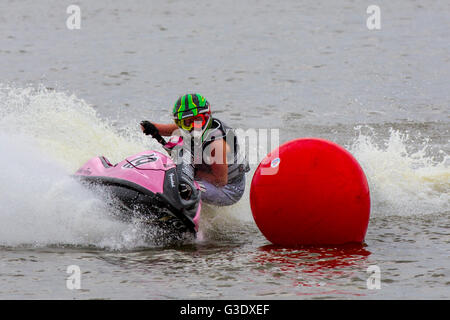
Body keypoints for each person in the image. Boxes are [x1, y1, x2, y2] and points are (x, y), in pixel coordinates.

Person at [140, 93, 250, 206]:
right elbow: (165, 129)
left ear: (207, 117)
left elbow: (220, 181)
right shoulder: (192, 127)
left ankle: (182, 208)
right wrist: (151, 127)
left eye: (197, 120)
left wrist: (191, 170)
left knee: (185, 185)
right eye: (187, 122)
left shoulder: (216, 144)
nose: (193, 126)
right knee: (176, 140)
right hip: (208, 171)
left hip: (229, 189)